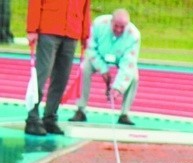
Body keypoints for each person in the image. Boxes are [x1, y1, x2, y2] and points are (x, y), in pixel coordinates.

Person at [25, 0, 91, 136]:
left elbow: (86, 7)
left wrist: (86, 35)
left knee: (62, 79)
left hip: (72, 31)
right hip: (49, 28)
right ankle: (32, 118)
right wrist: (32, 28)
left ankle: (50, 117)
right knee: (41, 76)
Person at [69, 8, 140, 126]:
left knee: (134, 76)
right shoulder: (98, 24)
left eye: (122, 27)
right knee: (83, 68)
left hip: (120, 58)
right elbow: (90, 48)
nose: (118, 30)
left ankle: (124, 113)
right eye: (116, 26)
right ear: (111, 22)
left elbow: (128, 63)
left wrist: (118, 88)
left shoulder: (134, 35)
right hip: (98, 56)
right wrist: (103, 69)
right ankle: (80, 110)